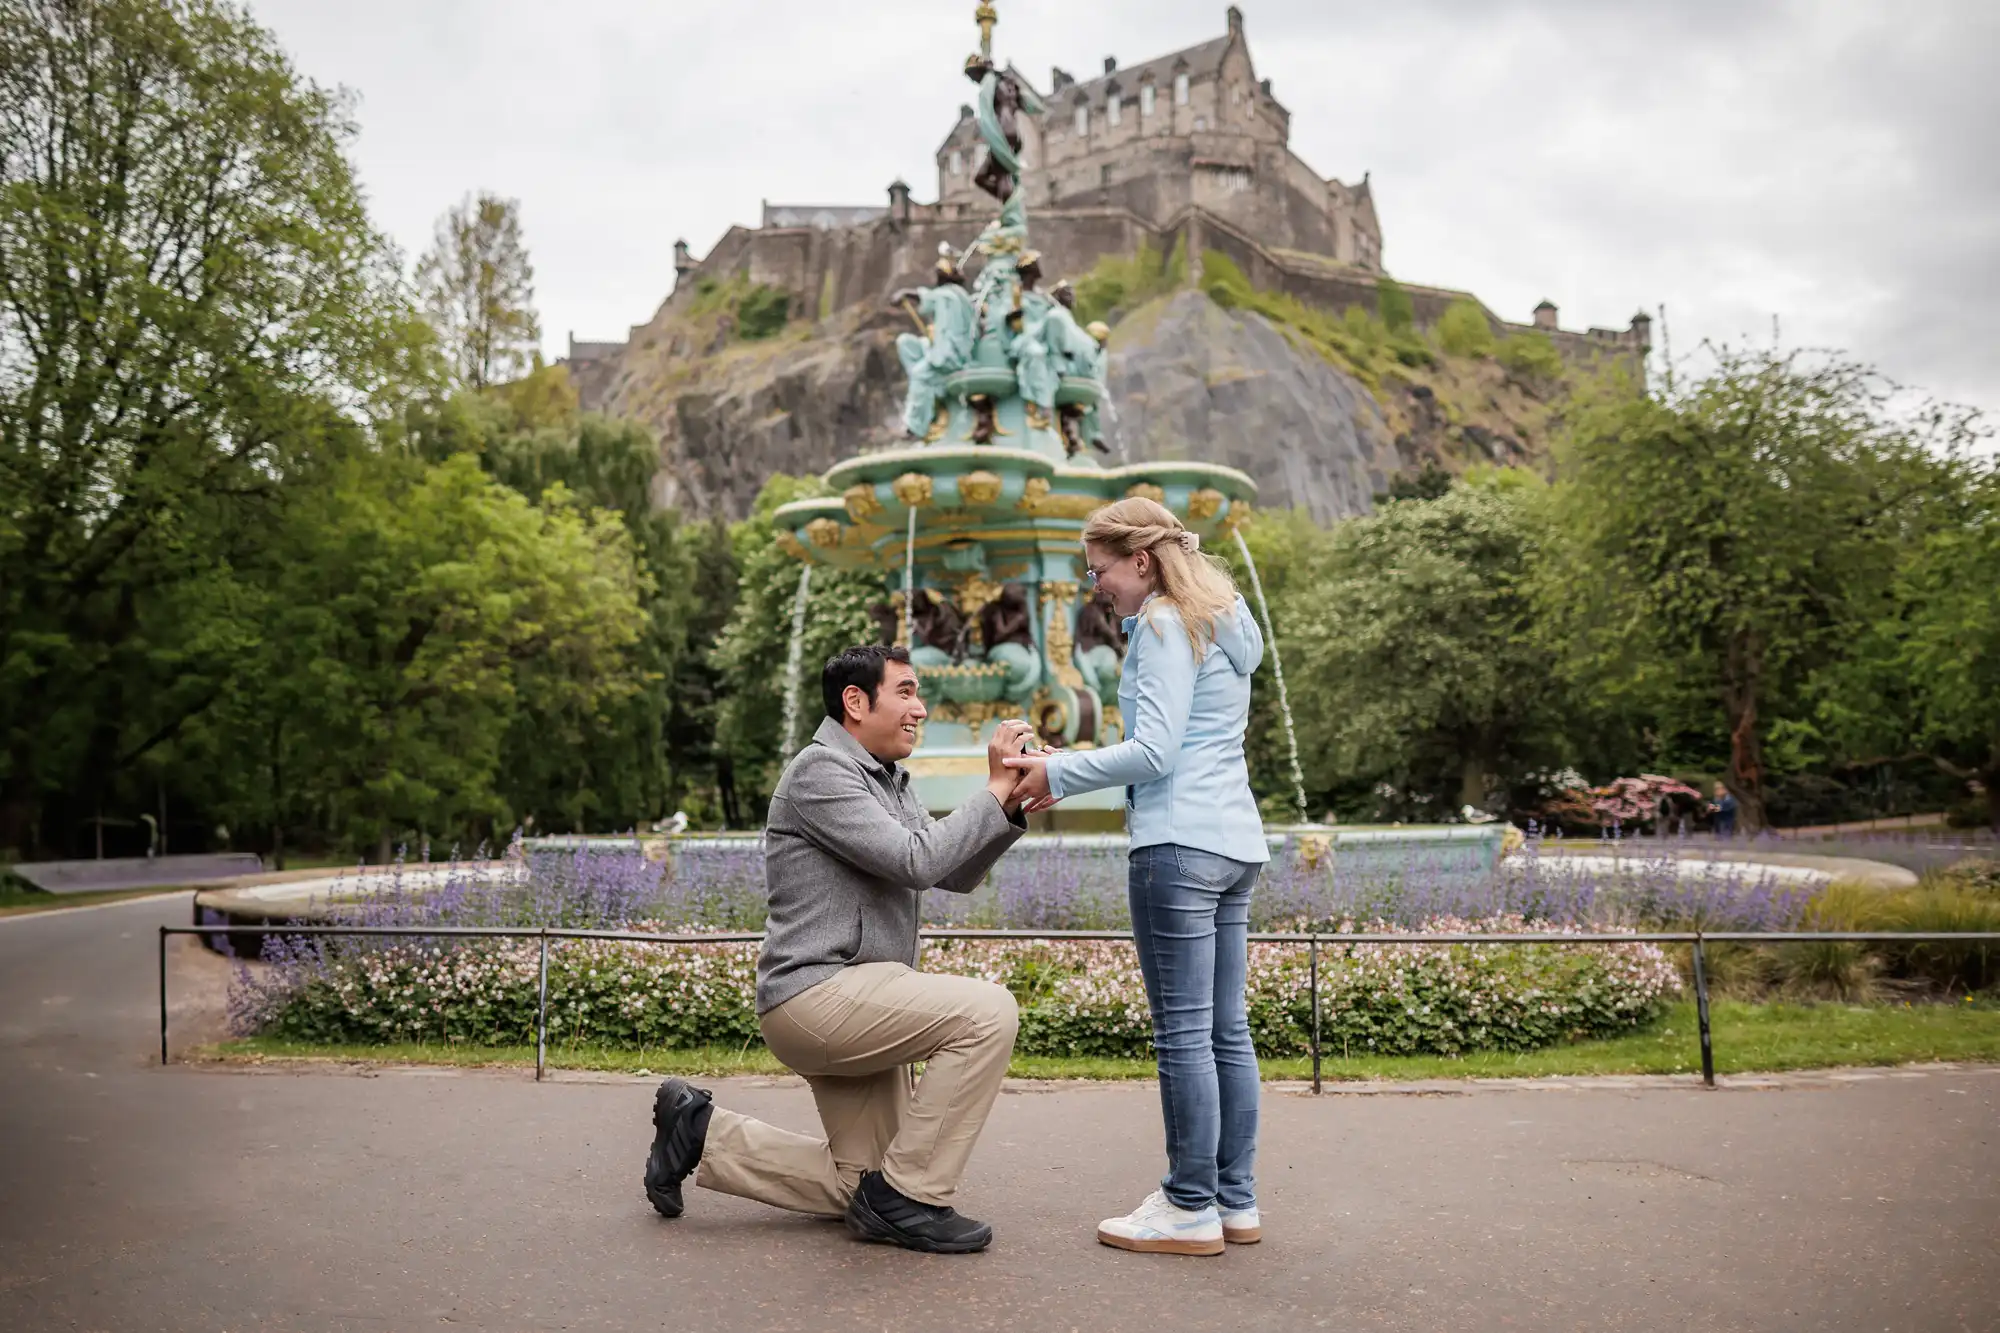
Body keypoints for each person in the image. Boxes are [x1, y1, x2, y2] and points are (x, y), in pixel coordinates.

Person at [642, 645, 1056, 1254]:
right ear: (856, 702)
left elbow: (953, 873)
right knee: (987, 1012)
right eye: (907, 692)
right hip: (818, 995)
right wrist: (992, 788)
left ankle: (700, 1130)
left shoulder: (885, 776)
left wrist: (1011, 806)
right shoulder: (821, 773)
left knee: (860, 1184)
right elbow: (918, 860)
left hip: (861, 994)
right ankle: (912, 1200)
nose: (920, 708)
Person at [1004, 497, 1268, 1258]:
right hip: (1234, 843)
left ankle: (1189, 1205)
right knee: (1227, 1030)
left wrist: (1054, 764)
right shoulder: (1226, 618)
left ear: (1142, 560)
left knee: (1184, 1034)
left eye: (1101, 571)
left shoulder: (1160, 623)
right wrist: (1070, 772)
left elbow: (1155, 752)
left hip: (1177, 846)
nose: (1098, 587)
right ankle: (1233, 1198)